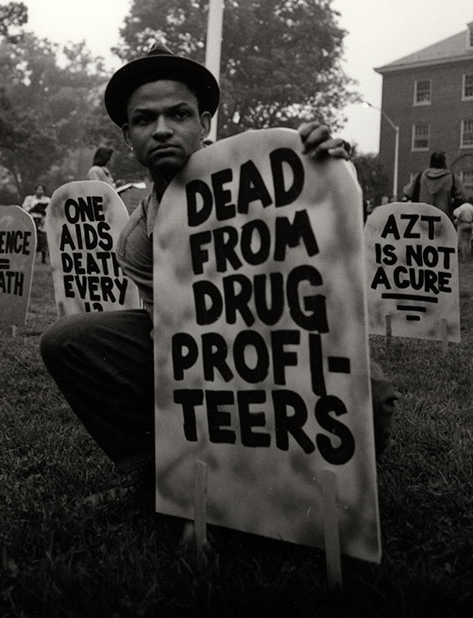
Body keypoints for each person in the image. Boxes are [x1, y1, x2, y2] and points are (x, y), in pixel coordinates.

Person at [40, 43, 398, 495]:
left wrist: (326, 169)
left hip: (281, 339)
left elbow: (326, 250)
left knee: (375, 400)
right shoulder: (135, 238)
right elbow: (165, 331)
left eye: (180, 114)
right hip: (198, 355)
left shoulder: (265, 177)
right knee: (68, 340)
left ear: (204, 123)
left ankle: (301, 476)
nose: (163, 130)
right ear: (128, 135)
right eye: (145, 119)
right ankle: (156, 469)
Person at [402, 151, 462, 217]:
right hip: (443, 220)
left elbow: (408, 193)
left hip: (422, 219)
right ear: (444, 163)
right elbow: (462, 198)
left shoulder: (420, 176)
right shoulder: (452, 178)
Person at [22, 184, 51, 264]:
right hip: (32, 219)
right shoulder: (29, 199)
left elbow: (50, 209)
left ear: (44, 191)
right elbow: (25, 208)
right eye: (38, 189)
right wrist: (33, 208)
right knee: (30, 238)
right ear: (35, 190)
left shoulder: (47, 200)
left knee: (43, 238)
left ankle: (43, 258)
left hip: (42, 220)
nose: (39, 191)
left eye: (41, 189)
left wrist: (43, 211)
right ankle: (28, 257)